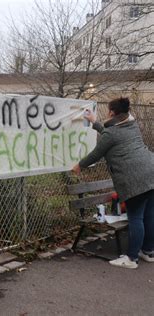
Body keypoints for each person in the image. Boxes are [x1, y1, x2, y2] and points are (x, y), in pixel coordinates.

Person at [72, 97, 154, 269]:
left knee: (136, 217)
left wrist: (79, 165)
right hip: (151, 173)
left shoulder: (112, 133)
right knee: (148, 215)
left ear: (112, 112)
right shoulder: (132, 125)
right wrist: (95, 122)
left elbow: (97, 153)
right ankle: (147, 251)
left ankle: (131, 259)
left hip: (135, 179)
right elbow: (111, 135)